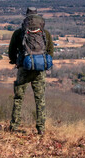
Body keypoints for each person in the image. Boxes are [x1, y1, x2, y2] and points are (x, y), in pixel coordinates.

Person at [8, 7, 54, 135]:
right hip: (39, 71)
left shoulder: (19, 33)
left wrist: (15, 61)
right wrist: (41, 63)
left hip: (23, 68)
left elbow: (11, 51)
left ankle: (14, 126)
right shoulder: (45, 34)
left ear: (26, 17)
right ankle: (41, 128)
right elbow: (50, 52)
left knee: (18, 98)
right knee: (40, 99)